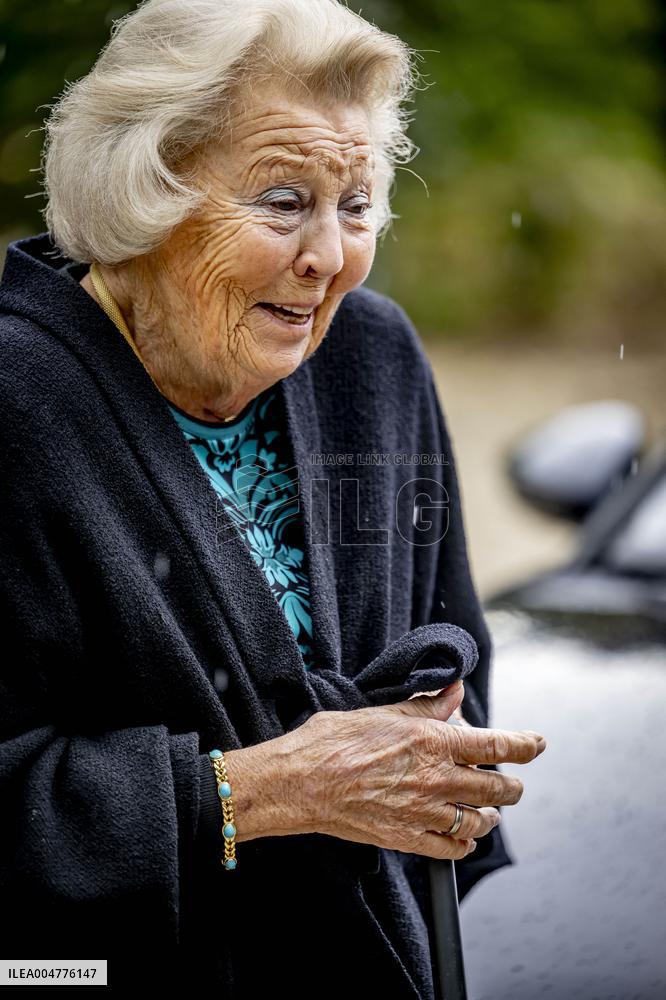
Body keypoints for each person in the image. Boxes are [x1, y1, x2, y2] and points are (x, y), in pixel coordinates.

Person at [0, 0, 547, 994]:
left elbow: (453, 644)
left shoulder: (372, 360)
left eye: (357, 202)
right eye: (285, 200)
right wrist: (260, 792)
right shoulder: (15, 405)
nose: (329, 255)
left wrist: (436, 758)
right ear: (143, 192)